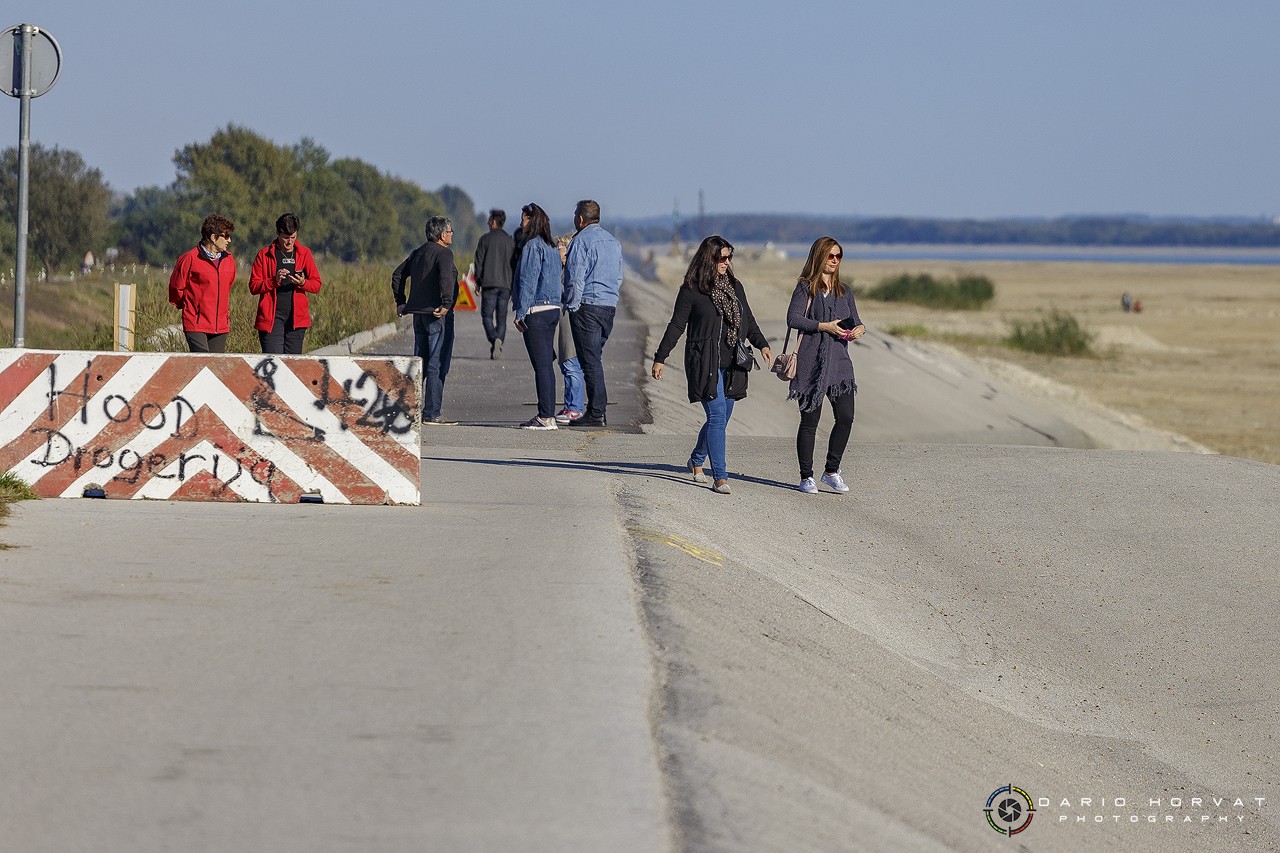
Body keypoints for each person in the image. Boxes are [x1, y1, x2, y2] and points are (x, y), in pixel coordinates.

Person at [651, 236, 773, 495]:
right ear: (709, 259)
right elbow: (676, 325)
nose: (726, 263)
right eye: (721, 258)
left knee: (721, 419)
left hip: (733, 363)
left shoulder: (735, 286)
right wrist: (661, 357)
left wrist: (762, 344)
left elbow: (748, 320)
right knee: (716, 415)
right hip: (704, 361)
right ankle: (720, 476)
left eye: (729, 258)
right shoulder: (691, 289)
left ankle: (696, 460)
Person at [786, 236, 865, 494]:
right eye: (830, 256)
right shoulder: (805, 288)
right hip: (811, 364)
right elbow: (793, 318)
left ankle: (831, 471)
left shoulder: (845, 291)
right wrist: (822, 326)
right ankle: (805, 476)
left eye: (838, 256)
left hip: (840, 365)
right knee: (810, 421)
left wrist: (860, 329)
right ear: (819, 256)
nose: (834, 261)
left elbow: (855, 319)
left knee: (846, 417)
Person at [391, 216, 459, 424]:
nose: (451, 234)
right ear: (441, 234)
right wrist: (446, 303)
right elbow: (446, 278)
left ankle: (412, 409)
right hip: (437, 315)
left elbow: (397, 275)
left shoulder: (417, 253)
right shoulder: (444, 254)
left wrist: (401, 301)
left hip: (418, 316)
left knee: (420, 362)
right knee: (437, 363)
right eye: (450, 231)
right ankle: (432, 412)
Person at [563, 199, 623, 428]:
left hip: (587, 306)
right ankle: (596, 409)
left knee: (590, 361)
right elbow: (618, 277)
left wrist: (572, 305)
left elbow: (576, 278)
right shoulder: (613, 242)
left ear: (580, 219)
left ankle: (596, 412)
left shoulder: (581, 242)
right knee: (594, 359)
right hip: (608, 307)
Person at [511, 204, 563, 430]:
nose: (521, 224)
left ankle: (546, 416)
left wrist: (520, 312)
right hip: (552, 309)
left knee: (541, 365)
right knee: (546, 365)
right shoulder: (551, 246)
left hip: (536, 312)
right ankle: (547, 413)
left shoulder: (532, 247)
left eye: (524, 219)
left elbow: (528, 281)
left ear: (532, 221)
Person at [248, 213, 323, 354]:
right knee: (273, 361)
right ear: (277, 233)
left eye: (293, 237)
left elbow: (317, 284)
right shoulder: (264, 255)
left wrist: (303, 283)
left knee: (292, 363)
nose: (289, 242)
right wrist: (273, 281)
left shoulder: (304, 254)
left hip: (296, 319)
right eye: (285, 238)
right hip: (271, 318)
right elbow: (253, 286)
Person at [168, 214, 237, 353]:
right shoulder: (189, 259)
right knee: (201, 364)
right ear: (213, 237)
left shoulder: (229, 260)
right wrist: (191, 307)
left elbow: (227, 287)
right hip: (196, 324)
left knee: (215, 368)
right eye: (226, 235)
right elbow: (176, 288)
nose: (229, 240)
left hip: (220, 326)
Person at [474, 209, 515, 359]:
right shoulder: (510, 241)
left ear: (493, 222)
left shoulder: (484, 239)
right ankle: (499, 340)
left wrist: (478, 281)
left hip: (489, 283)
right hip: (506, 284)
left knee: (486, 315)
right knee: (502, 318)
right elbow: (514, 264)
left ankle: (494, 339)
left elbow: (478, 262)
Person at [554, 233, 584, 424]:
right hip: (565, 323)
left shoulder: (570, 272)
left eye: (559, 248)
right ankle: (570, 405)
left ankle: (575, 407)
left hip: (570, 323)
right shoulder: (564, 270)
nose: (556, 251)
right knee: (568, 365)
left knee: (571, 365)